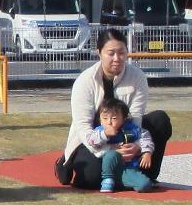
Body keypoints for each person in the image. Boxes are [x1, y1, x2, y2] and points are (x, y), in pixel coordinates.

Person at [57, 30, 172, 190]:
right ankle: (65, 163)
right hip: (93, 140)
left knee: (160, 120)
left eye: (122, 53)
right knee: (91, 179)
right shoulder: (84, 82)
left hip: (126, 134)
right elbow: (84, 128)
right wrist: (109, 149)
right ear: (99, 53)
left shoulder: (137, 77)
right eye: (111, 53)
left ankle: (146, 174)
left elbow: (136, 118)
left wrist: (137, 146)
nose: (117, 58)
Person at [86, 95, 154, 193]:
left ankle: (122, 182)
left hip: (128, 168)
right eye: (105, 118)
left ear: (124, 118)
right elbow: (91, 141)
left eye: (114, 118)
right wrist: (104, 135)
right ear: (100, 119)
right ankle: (108, 179)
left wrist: (147, 152)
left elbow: (145, 137)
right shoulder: (99, 130)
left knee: (145, 185)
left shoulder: (131, 128)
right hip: (109, 167)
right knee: (111, 154)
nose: (109, 122)